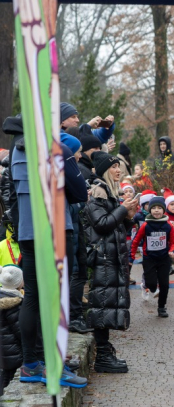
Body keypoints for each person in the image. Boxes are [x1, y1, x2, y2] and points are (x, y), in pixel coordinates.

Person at [14, 137, 89, 387]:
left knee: (33, 296)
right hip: (56, 230)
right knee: (55, 298)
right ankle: (52, 365)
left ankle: (31, 364)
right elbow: (80, 193)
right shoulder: (58, 148)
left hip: (27, 230)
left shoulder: (17, 148)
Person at [83, 154, 138, 374]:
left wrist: (128, 216)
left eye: (120, 167)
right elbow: (102, 224)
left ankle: (105, 353)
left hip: (110, 257)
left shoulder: (110, 192)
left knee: (106, 305)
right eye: (114, 167)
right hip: (102, 258)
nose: (119, 170)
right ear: (105, 170)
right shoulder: (98, 191)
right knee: (102, 306)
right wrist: (123, 210)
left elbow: (115, 227)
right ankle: (103, 357)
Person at [130, 196, 174, 317]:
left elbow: (173, 242)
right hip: (149, 258)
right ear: (150, 210)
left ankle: (161, 308)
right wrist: (131, 257)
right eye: (154, 208)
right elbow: (136, 241)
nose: (156, 210)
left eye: (159, 208)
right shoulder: (146, 225)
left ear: (164, 210)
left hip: (163, 259)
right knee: (151, 284)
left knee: (164, 285)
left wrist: (171, 250)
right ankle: (145, 285)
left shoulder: (168, 226)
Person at [0, 265, 24, 393]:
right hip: (12, 349)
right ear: (18, 283)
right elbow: (20, 329)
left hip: (4, 348)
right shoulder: (14, 304)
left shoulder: (2, 296)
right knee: (7, 379)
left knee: (4, 375)